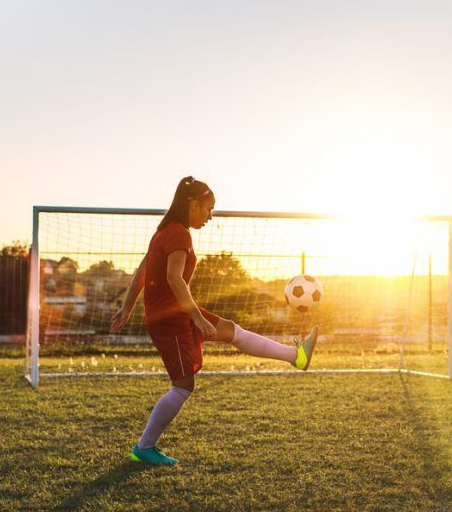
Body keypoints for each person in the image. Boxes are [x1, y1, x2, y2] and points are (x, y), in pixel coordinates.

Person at [110, 175, 318, 465]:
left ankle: (295, 356)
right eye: (207, 209)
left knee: (233, 331)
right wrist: (196, 316)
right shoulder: (178, 233)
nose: (210, 216)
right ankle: (144, 447)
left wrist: (127, 306)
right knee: (183, 386)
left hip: (175, 312)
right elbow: (172, 278)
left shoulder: (164, 230)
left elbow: (143, 269)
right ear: (192, 204)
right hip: (170, 320)